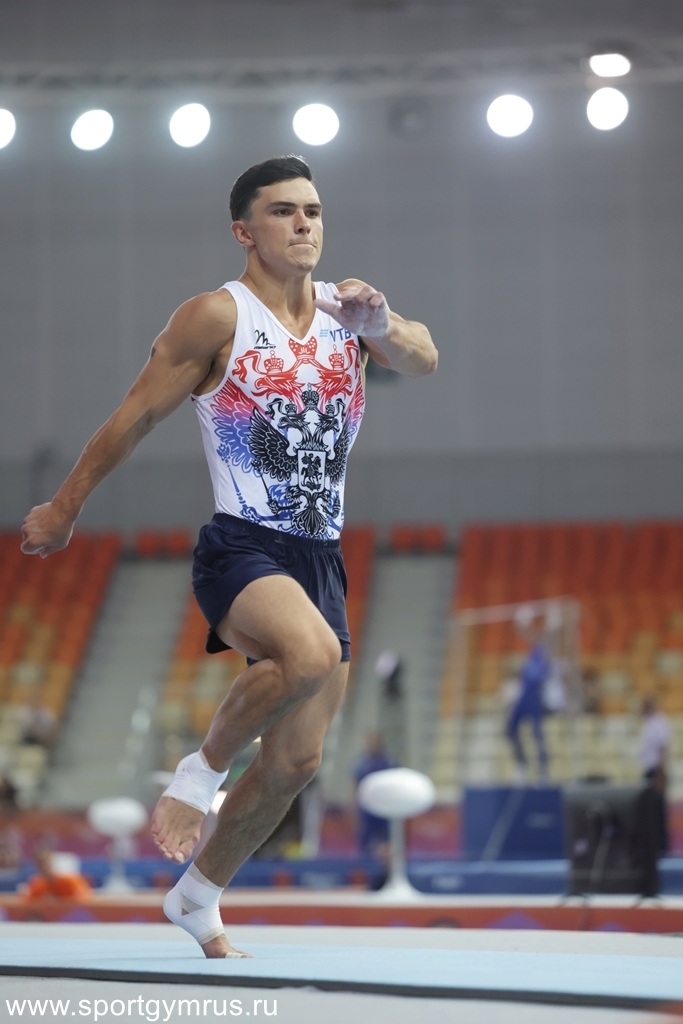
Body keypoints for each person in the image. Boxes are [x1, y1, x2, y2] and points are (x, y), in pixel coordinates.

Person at [20, 155, 437, 957]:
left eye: (312, 210)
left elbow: (423, 358)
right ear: (245, 232)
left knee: (297, 761)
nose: (303, 223)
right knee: (309, 654)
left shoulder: (347, 311)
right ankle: (195, 777)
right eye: (283, 211)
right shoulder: (216, 316)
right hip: (243, 545)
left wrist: (381, 322)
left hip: (320, 556)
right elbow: (135, 416)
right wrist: (65, 506)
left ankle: (197, 895)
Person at [505, 606, 552, 783]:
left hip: (534, 698)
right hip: (523, 697)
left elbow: (538, 637)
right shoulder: (534, 652)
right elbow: (528, 636)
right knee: (510, 729)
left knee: (537, 734)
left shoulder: (544, 655)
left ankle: (543, 769)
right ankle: (522, 763)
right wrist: (521, 626)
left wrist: (551, 623)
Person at [353, 732, 394, 858]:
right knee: (366, 838)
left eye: (374, 742)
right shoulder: (362, 764)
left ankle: (387, 861)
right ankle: (365, 860)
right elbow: (355, 784)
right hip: (367, 810)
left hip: (385, 809)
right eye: (370, 742)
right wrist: (354, 805)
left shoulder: (388, 762)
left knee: (386, 839)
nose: (372, 745)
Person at [639, 696, 670, 854]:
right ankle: (654, 846)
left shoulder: (659, 722)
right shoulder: (648, 723)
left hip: (656, 772)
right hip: (649, 770)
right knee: (650, 811)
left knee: (657, 811)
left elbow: (663, 748)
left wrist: (659, 774)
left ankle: (661, 847)